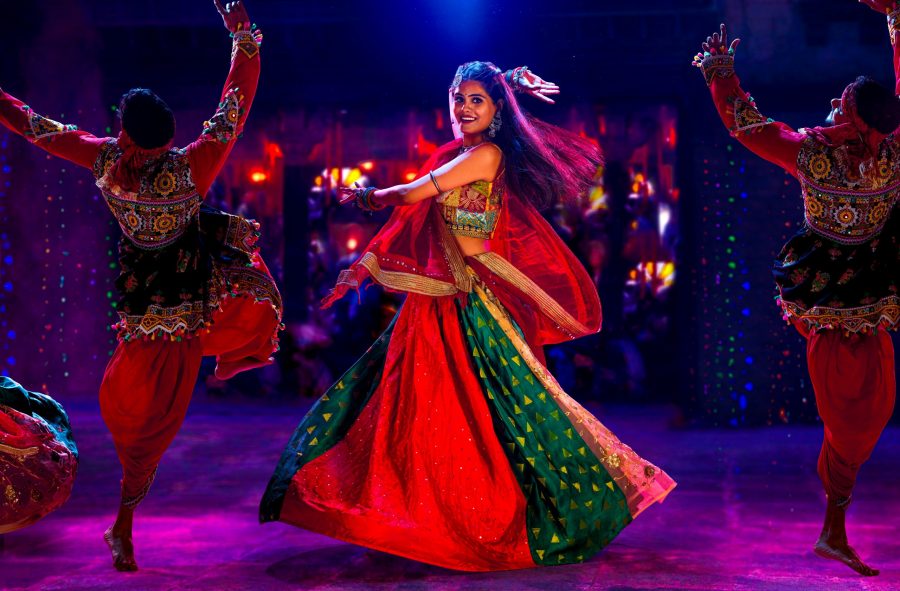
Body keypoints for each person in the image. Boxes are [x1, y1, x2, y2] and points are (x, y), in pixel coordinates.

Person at [260, 60, 675, 571]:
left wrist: (366, 196)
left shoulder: (486, 154)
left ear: (497, 110)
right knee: (413, 404)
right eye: (459, 98)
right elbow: (417, 214)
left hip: (472, 298)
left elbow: (411, 194)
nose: (464, 108)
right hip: (438, 297)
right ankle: (420, 513)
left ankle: (525, 511)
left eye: (477, 100)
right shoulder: (459, 153)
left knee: (497, 407)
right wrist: (507, 81)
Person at [0, 0, 281, 571]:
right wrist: (241, 36)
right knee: (153, 416)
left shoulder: (104, 159)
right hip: (183, 305)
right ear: (168, 135)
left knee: (142, 424)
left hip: (155, 311)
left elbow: (34, 126)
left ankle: (124, 524)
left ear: (124, 132)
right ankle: (123, 523)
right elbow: (234, 105)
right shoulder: (192, 164)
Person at [694, 15, 899, 577]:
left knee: (869, 414)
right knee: (847, 417)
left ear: (855, 118)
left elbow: (747, 126)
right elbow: (750, 126)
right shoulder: (853, 153)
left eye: (843, 101)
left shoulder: (817, 154)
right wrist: (895, 21)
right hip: (830, 305)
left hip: (864, 300)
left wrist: (721, 72)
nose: (833, 102)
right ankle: (834, 524)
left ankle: (834, 526)